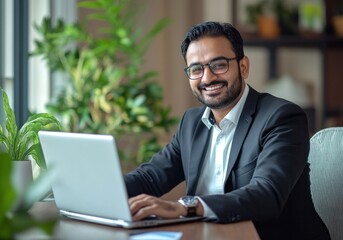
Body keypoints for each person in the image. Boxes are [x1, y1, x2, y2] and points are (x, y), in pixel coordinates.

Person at [124, 21, 330, 239]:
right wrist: (99, 191)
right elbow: (150, 178)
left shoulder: (282, 118)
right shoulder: (191, 123)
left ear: (243, 67)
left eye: (219, 64)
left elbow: (266, 195)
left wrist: (186, 207)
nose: (207, 78)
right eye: (196, 69)